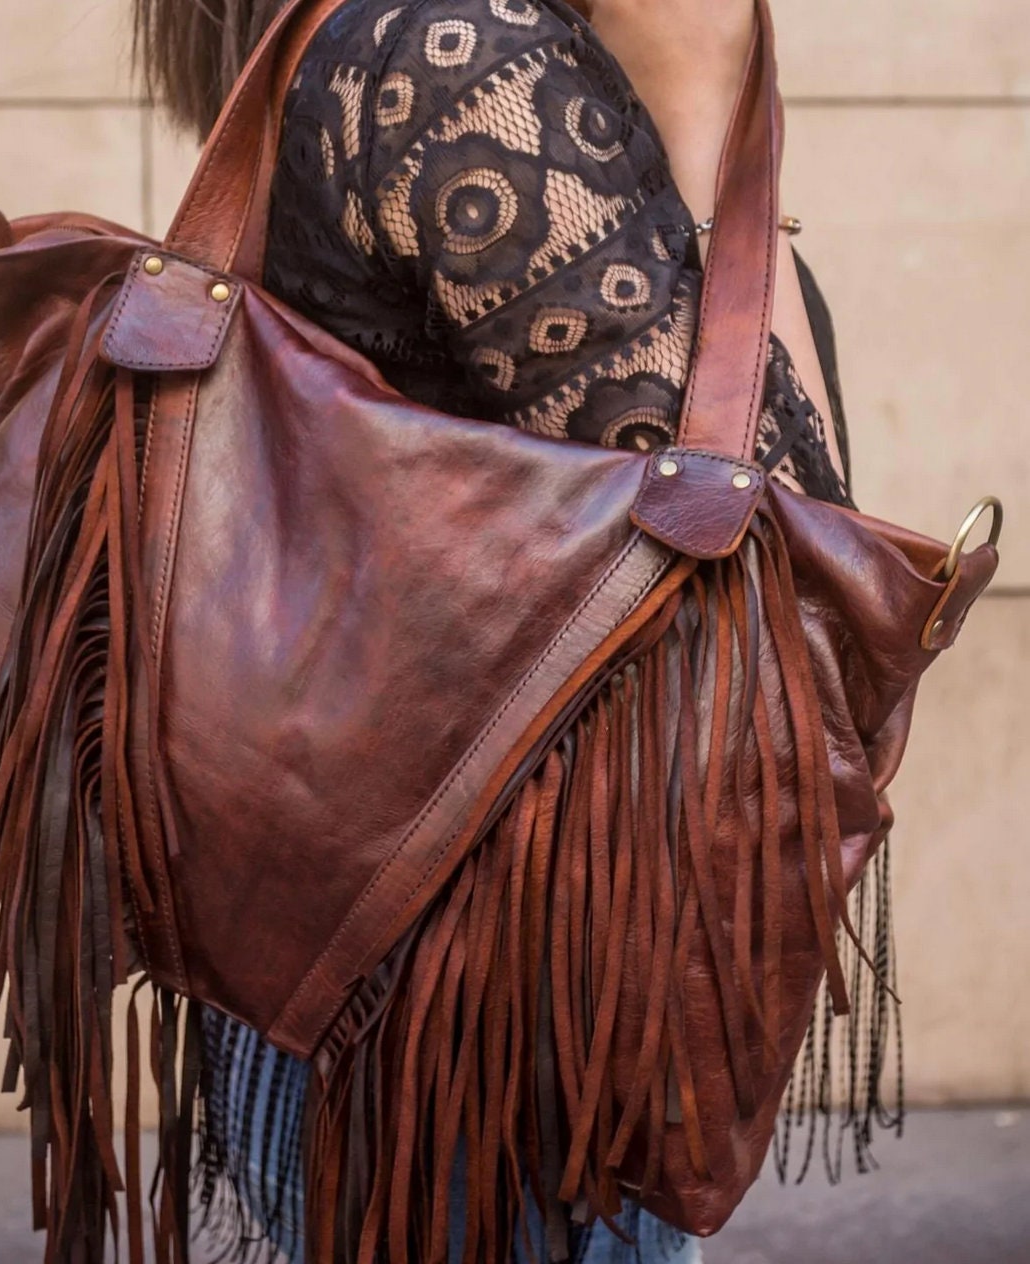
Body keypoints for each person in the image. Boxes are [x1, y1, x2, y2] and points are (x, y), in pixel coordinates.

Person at [133, 0, 855, 1259]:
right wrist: (699, 101)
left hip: (347, 958)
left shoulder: (379, 44)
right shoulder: (458, 57)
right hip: (470, 1015)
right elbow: (792, 568)